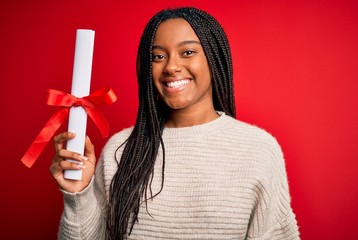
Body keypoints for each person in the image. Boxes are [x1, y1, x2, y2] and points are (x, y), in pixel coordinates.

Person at [50, 7, 300, 240]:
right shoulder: (121, 149)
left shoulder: (259, 149)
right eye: (158, 56)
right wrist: (77, 194)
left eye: (188, 52)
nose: (171, 66)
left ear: (214, 58)